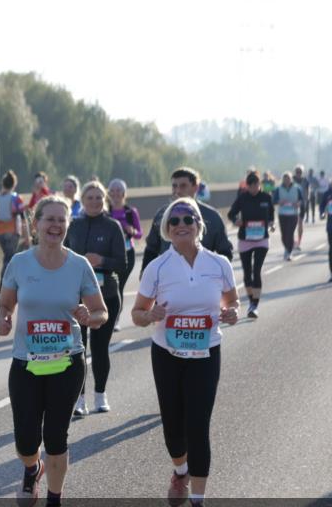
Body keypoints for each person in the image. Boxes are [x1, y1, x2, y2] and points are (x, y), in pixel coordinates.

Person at [132, 197, 240, 507]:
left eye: (188, 219)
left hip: (206, 353)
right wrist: (150, 315)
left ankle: (198, 503)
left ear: (198, 225)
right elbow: (136, 314)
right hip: (167, 353)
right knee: (173, 427)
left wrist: (231, 313)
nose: (182, 224)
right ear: (167, 228)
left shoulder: (219, 263)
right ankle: (179, 471)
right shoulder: (158, 268)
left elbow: (231, 302)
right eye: (175, 220)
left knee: (198, 425)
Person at [0, 195, 107, 507]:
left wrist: (90, 317)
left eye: (62, 220)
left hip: (66, 363)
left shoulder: (79, 265)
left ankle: (54, 504)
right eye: (49, 220)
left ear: (67, 226)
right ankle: (32, 468)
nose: (55, 226)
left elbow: (101, 312)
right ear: (36, 223)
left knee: (57, 435)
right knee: (26, 439)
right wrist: (4, 318)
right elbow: (5, 305)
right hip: (26, 364)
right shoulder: (19, 263)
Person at [64, 181, 126, 416]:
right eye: (90, 198)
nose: (94, 202)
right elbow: (62, 256)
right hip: (76, 296)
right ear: (83, 199)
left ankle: (100, 394)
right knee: (78, 350)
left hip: (106, 294)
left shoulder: (112, 227)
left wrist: (101, 260)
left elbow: (122, 264)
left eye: (99, 198)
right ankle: (79, 399)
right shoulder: (74, 226)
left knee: (100, 349)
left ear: (105, 200)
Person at [141, 167, 233, 273]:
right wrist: (144, 273)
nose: (178, 191)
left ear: (196, 187)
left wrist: (217, 277)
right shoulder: (162, 215)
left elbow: (225, 251)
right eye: (174, 186)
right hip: (169, 278)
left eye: (183, 186)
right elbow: (151, 250)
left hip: (201, 278)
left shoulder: (212, 216)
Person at [227, 172, 274, 318]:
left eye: (256, 185)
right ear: (247, 186)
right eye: (251, 185)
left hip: (262, 239)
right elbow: (231, 214)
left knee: (256, 270)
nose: (254, 188)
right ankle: (251, 300)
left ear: (259, 184)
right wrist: (236, 221)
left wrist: (271, 223)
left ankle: (254, 305)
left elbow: (272, 214)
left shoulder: (266, 197)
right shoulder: (242, 198)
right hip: (245, 239)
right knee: (247, 274)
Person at [106, 178, 143, 331]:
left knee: (118, 286)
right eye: (112, 191)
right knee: (106, 287)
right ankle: (105, 316)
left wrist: (130, 230)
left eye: (118, 191)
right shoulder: (105, 211)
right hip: (108, 254)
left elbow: (139, 234)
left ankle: (115, 320)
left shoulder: (130, 212)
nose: (115, 194)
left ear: (124, 193)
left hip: (127, 253)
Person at [0, 170, 28, 282]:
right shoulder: (16, 198)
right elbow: (23, 217)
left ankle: (10, 283)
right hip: (12, 231)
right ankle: (4, 284)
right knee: (9, 258)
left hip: (0, 232)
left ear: (3, 183)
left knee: (9, 257)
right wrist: (27, 236)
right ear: (14, 184)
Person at [273, 171, 303, 261]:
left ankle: (288, 251)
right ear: (283, 180)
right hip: (282, 214)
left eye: (288, 179)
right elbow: (274, 200)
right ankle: (287, 248)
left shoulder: (297, 188)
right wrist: (279, 202)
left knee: (290, 233)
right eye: (285, 179)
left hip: (293, 214)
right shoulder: (278, 189)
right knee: (284, 234)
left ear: (291, 179)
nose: (286, 181)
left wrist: (298, 204)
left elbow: (302, 200)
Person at [292, 166, 309, 250]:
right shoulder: (291, 180)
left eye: (300, 172)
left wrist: (305, 201)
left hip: (301, 204)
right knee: (291, 224)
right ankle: (292, 242)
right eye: (297, 171)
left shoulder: (305, 180)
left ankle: (298, 242)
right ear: (295, 172)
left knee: (300, 223)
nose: (298, 173)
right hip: (292, 204)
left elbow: (307, 191)